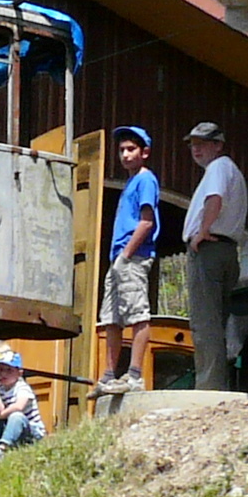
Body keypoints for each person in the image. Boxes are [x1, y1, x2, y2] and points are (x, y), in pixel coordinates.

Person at [88, 126, 160, 398]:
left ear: (145, 152)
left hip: (133, 257)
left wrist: (127, 254)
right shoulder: (130, 183)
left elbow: (146, 220)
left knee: (137, 314)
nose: (125, 155)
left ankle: (135, 375)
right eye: (121, 150)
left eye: (131, 149)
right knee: (111, 318)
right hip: (118, 258)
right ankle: (108, 375)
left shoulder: (145, 180)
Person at [182, 121, 248, 390]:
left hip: (209, 249)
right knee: (218, 320)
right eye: (193, 145)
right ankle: (217, 384)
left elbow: (214, 199)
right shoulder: (232, 171)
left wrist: (202, 231)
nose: (196, 149)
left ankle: (208, 388)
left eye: (202, 144)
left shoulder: (219, 167)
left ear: (217, 145)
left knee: (205, 322)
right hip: (226, 249)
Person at [0, 350, 46, 465]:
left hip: (31, 431)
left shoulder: (22, 387)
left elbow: (19, 406)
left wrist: (2, 414)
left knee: (16, 416)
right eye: (0, 370)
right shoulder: (0, 388)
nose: (4, 374)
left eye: (9, 370)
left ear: (19, 373)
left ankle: (2, 448)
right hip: (11, 428)